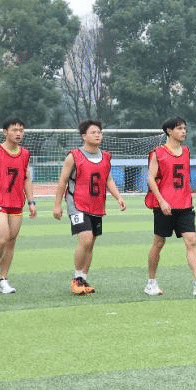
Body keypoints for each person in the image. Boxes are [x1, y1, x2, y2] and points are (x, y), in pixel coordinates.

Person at [143, 117, 196, 297]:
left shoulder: (186, 151)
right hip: (165, 206)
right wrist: (161, 201)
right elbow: (150, 178)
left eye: (184, 128)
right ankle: (151, 282)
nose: (183, 131)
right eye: (179, 128)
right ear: (169, 131)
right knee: (159, 242)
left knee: (191, 240)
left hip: (184, 205)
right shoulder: (158, 153)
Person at [52, 120, 127, 295]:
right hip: (77, 203)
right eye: (93, 132)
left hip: (96, 204)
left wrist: (118, 197)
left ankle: (83, 278)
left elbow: (108, 179)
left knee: (91, 243)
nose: (97, 135)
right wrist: (57, 205)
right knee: (85, 239)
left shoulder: (106, 156)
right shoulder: (74, 156)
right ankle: (76, 278)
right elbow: (63, 181)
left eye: (99, 132)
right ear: (84, 136)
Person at [0, 118, 36, 294]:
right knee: (2, 238)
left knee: (11, 242)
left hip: (16, 203)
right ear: (5, 132)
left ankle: (3, 278)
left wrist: (31, 201)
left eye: (21, 130)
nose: (18, 133)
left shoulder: (25, 153)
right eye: (14, 130)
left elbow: (26, 178)